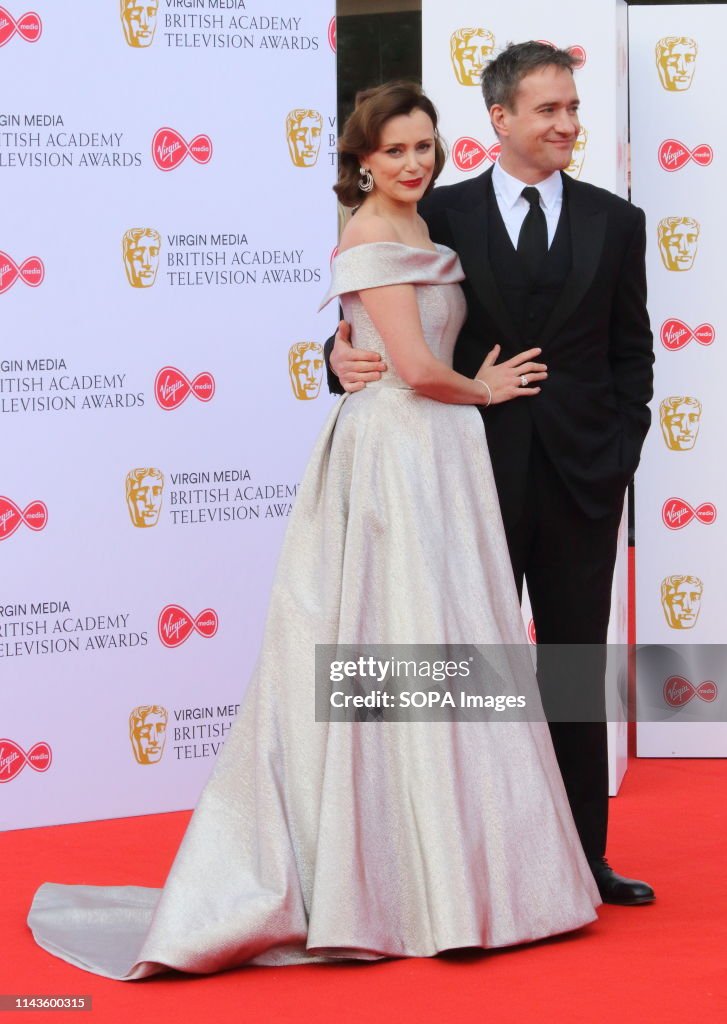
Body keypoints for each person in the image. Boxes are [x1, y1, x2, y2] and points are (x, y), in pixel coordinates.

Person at [27, 81, 600, 980]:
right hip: (402, 459)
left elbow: (396, 331)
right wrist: (463, 385)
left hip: (446, 462)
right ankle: (407, 882)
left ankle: (457, 872)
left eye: (424, 146)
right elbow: (410, 364)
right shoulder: (377, 230)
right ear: (362, 159)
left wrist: (355, 345)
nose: (414, 162)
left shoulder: (430, 221)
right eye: (396, 150)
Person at [327, 45, 655, 905]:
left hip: (584, 481)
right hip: (464, 476)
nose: (566, 125)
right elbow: (378, 306)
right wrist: (336, 357)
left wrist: (620, 453)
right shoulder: (436, 209)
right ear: (499, 119)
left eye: (572, 108)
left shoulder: (617, 221)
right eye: (547, 110)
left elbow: (632, 351)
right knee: (463, 668)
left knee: (573, 672)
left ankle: (582, 862)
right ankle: (468, 868)